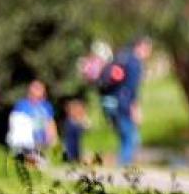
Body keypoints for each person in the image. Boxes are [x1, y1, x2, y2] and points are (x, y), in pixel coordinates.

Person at [101, 37, 148, 166]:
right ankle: (123, 166)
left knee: (125, 135)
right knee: (130, 137)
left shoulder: (122, 58)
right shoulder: (135, 63)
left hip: (110, 102)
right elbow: (132, 89)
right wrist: (135, 109)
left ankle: (122, 163)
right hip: (124, 104)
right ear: (140, 46)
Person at [7, 79, 57, 163]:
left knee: (41, 161)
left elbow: (50, 123)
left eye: (39, 89)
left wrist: (53, 139)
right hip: (25, 143)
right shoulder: (21, 106)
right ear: (29, 92)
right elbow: (15, 126)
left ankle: (34, 157)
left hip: (41, 143)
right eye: (34, 89)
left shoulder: (46, 106)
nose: (36, 92)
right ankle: (26, 156)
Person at [61, 96, 90, 164]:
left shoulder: (80, 123)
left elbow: (87, 126)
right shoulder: (70, 124)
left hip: (78, 152)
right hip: (71, 153)